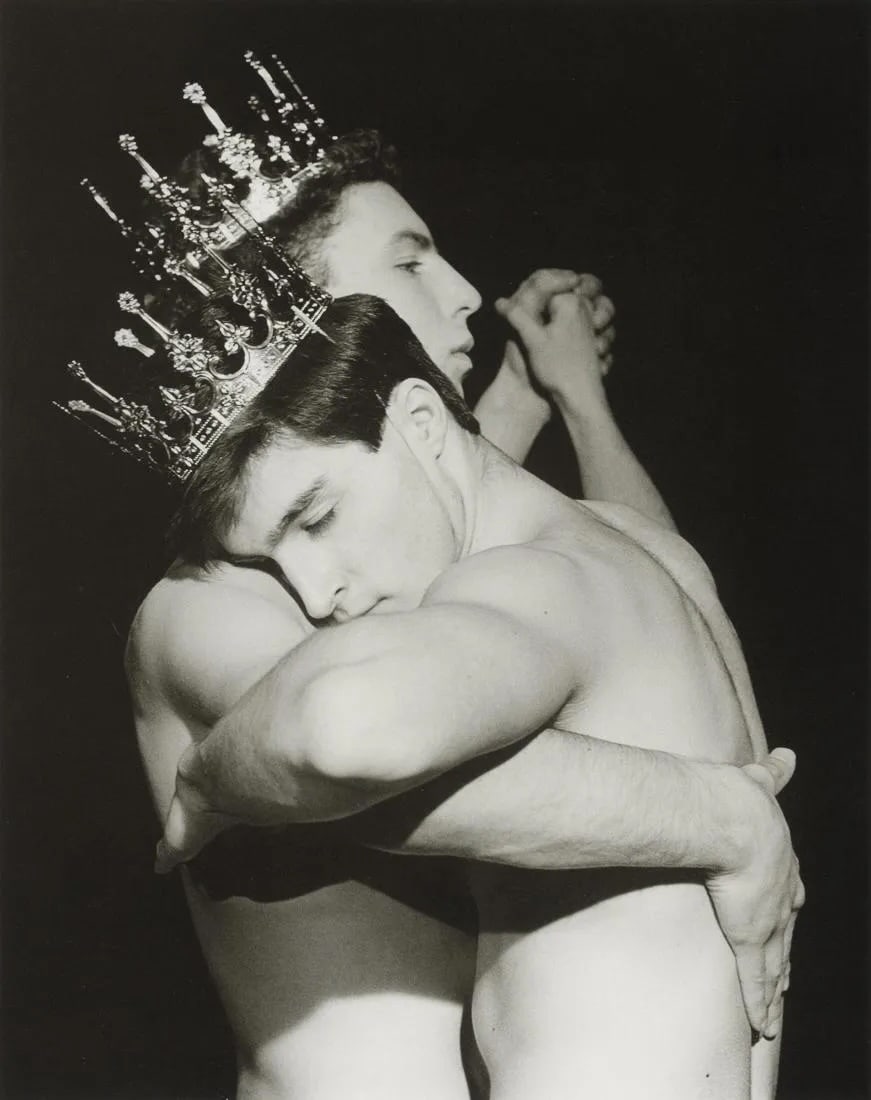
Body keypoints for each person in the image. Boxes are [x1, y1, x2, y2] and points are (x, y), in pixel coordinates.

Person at [127, 136, 798, 1098]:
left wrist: (562, 399)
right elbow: (357, 764)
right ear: (292, 315)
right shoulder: (211, 609)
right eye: (407, 261)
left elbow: (642, 602)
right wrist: (728, 821)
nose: (463, 292)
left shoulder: (461, 560)